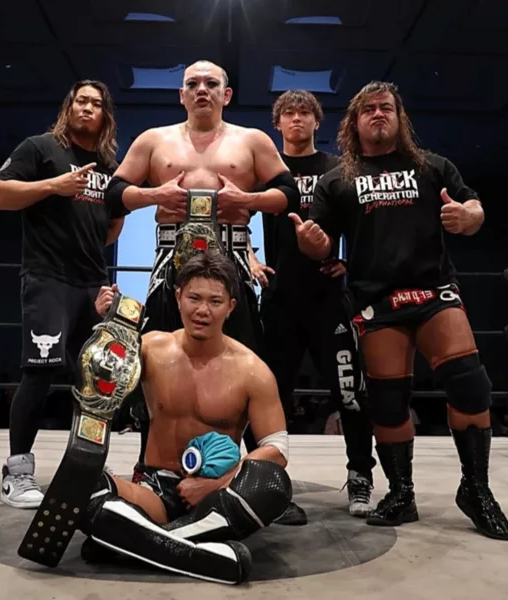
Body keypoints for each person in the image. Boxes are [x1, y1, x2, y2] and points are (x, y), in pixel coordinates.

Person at [292, 81, 508, 540]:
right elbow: (320, 243)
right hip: (377, 300)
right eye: (368, 109)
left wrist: (470, 217)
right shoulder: (338, 180)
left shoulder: (433, 167)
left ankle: (476, 488)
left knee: (470, 384)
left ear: (399, 117)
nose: (378, 114)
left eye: (386, 108)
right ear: (355, 122)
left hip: (433, 291)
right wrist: (311, 243)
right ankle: (401, 493)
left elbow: (472, 205)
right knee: (388, 402)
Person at [103, 60, 303, 521]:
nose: (202, 90)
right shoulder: (154, 140)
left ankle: (253, 479)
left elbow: (289, 193)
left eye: (212, 84)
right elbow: (115, 193)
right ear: (181, 94)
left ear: (226, 95)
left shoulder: (251, 141)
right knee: (157, 369)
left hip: (230, 262)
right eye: (192, 83)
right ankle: (151, 473)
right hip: (170, 265)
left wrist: (247, 201)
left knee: (244, 361)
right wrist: (154, 196)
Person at [87, 251, 292, 584]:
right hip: (154, 491)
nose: (203, 310)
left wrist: (213, 485)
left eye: (215, 301)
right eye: (195, 298)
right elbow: (96, 384)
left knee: (273, 481)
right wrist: (105, 331)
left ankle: (130, 540)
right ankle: (191, 553)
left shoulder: (252, 371)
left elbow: (276, 449)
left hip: (219, 497)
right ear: (178, 296)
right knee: (80, 482)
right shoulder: (150, 348)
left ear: (231, 307)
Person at [0, 80, 127, 509]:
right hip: (48, 277)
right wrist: (53, 186)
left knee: (94, 377)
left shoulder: (107, 165)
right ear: (69, 107)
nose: (87, 108)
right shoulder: (40, 148)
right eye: (81, 101)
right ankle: (17, 472)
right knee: (40, 370)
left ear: (104, 116)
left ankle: (84, 468)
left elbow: (113, 221)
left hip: (92, 281)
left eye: (96, 104)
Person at [247, 90, 376, 518]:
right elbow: (234, 216)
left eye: (305, 112)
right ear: (277, 123)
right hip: (279, 301)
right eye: (289, 113)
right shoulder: (267, 170)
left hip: (327, 299)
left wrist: (350, 262)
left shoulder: (337, 169)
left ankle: (360, 476)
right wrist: (250, 258)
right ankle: (267, 482)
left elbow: (367, 224)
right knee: (268, 396)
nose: (297, 119)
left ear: (317, 122)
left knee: (349, 392)